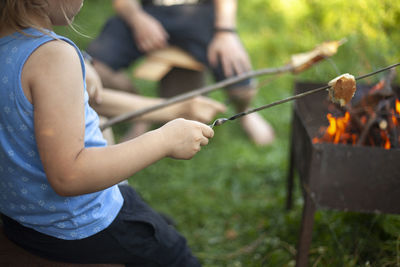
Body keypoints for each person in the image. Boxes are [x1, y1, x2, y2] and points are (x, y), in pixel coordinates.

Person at [0, 1, 224, 265]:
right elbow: (70, 176)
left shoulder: (16, 48)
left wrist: (180, 108)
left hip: (22, 220)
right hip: (79, 224)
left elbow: (85, 101)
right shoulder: (52, 56)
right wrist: (165, 140)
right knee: (174, 253)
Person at [87, 0, 276, 146]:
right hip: (148, 13)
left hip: (198, 14)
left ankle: (245, 112)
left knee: (240, 84)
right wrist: (138, 19)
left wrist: (225, 32)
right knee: (93, 70)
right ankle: (141, 113)